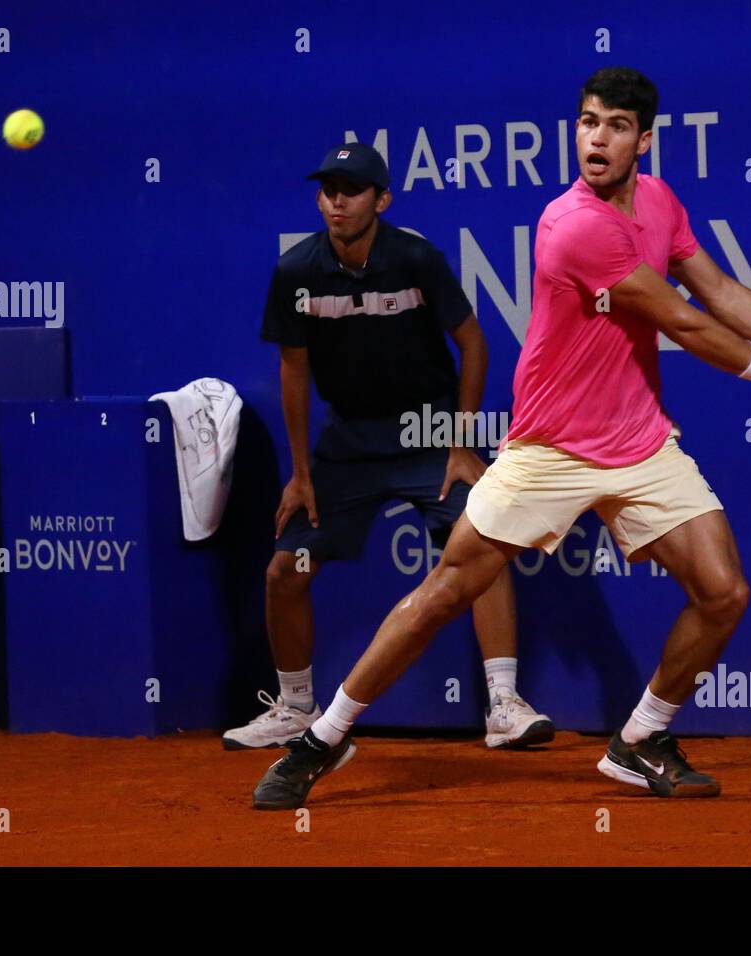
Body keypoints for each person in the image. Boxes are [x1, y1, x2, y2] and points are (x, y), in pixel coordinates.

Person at [252, 69, 751, 811]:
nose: (596, 139)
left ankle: (640, 739)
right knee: (445, 591)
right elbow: (681, 322)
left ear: (645, 139)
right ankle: (322, 738)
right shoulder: (573, 223)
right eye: (586, 122)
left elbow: (720, 291)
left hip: (639, 439)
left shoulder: (660, 201)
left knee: (723, 592)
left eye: (614, 125)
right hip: (550, 447)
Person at [225, 142, 553, 754]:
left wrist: (459, 444)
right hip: (349, 443)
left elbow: (473, 344)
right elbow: (293, 371)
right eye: (328, 189)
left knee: (480, 545)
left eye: (352, 189)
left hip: (427, 434)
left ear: (382, 200)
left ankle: (504, 704)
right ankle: (296, 707)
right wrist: (301, 473)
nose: (337, 200)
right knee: (284, 570)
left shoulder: (415, 259)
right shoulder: (296, 271)